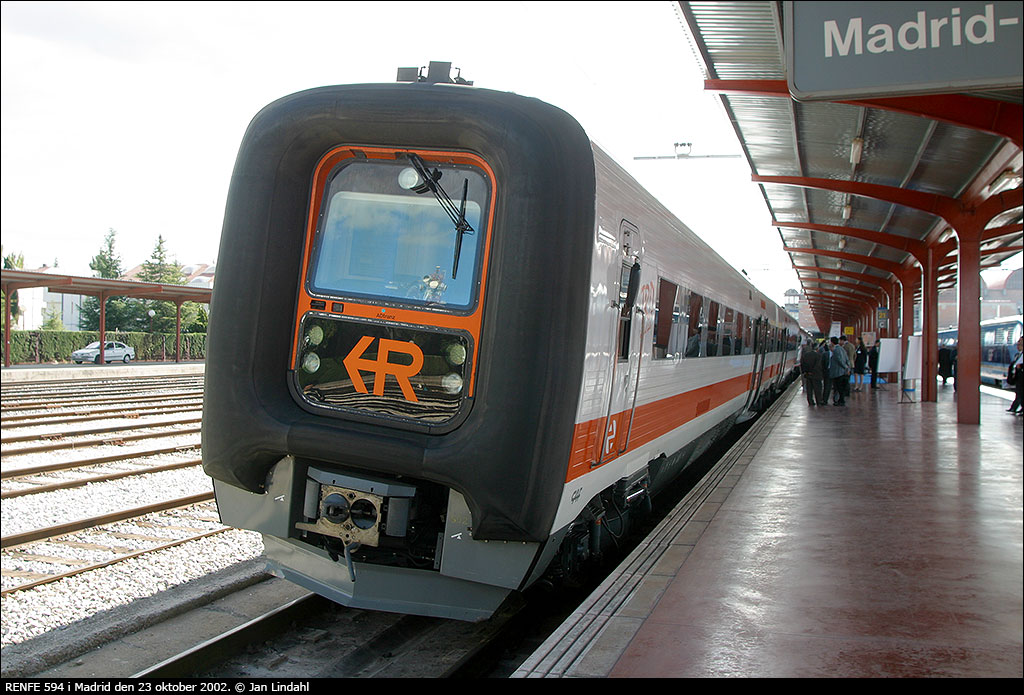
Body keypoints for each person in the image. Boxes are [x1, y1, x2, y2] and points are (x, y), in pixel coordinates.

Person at [800, 339, 824, 406]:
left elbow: (802, 363)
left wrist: (806, 372)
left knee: (809, 390)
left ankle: (810, 401)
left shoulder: (806, 355)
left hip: (808, 375)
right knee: (817, 389)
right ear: (817, 349)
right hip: (816, 375)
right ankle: (818, 401)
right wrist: (813, 372)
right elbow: (818, 366)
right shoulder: (818, 356)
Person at [828, 336, 851, 406]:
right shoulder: (842, 349)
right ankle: (841, 400)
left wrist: (845, 367)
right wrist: (848, 367)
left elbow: (839, 360)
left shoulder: (836, 350)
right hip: (843, 372)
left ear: (832, 342)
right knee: (841, 387)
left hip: (838, 372)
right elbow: (847, 359)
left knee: (838, 387)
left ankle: (840, 401)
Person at [1007, 337, 1023, 415]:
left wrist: (1020, 367)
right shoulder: (1018, 355)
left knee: (1020, 393)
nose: (1017, 345)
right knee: (1019, 393)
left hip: (1021, 377)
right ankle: (1014, 407)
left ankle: (1016, 408)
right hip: (1018, 377)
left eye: (1019, 343)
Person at [819, 340, 833, 404]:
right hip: (827, 372)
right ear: (830, 348)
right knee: (827, 386)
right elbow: (822, 363)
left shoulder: (837, 353)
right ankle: (825, 400)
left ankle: (836, 400)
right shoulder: (825, 354)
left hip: (835, 372)